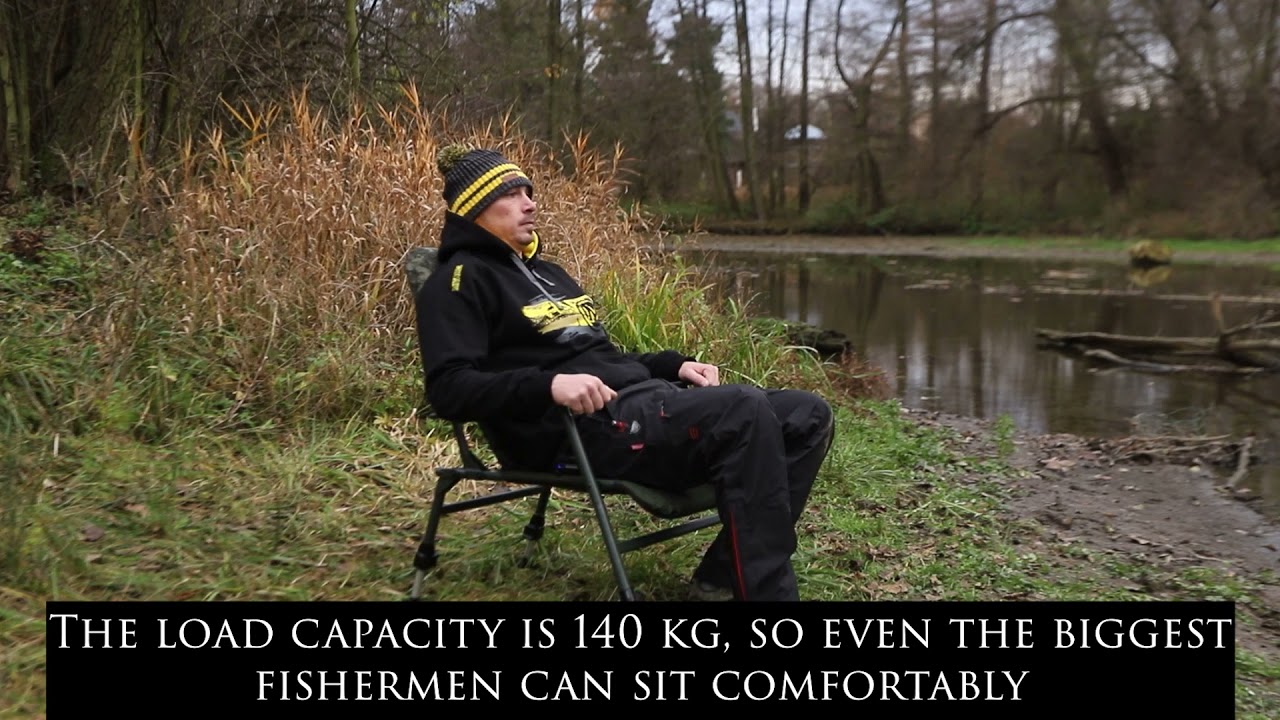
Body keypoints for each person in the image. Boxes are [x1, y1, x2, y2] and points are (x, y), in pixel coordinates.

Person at [414, 144, 834, 601]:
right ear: (474, 208)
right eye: (511, 195)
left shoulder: (551, 275)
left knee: (808, 414)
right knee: (744, 408)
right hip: (574, 431)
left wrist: (672, 364)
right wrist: (549, 385)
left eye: (528, 193)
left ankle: (722, 579)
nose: (530, 204)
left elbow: (601, 358)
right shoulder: (457, 281)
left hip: (640, 406)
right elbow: (449, 389)